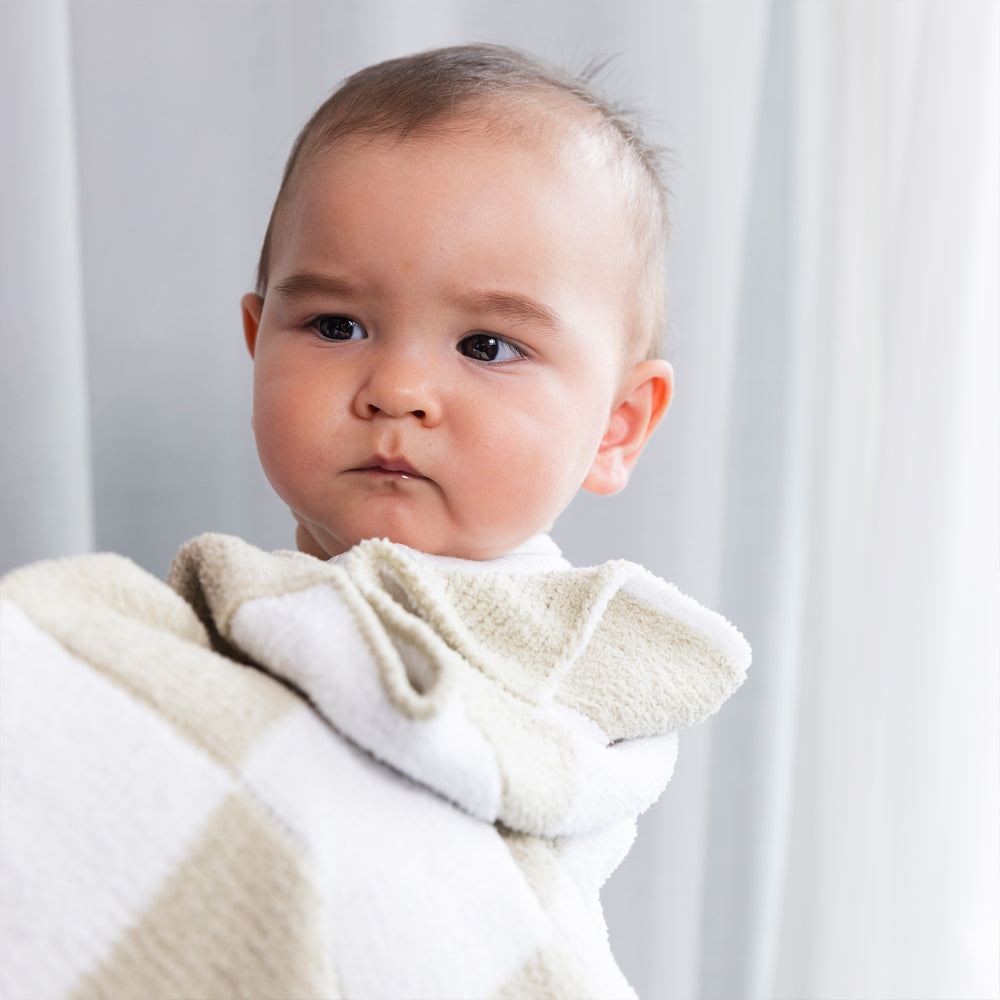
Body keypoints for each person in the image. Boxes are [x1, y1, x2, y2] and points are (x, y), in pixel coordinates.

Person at [0, 44, 749, 1000]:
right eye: (336, 326)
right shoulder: (239, 630)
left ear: (617, 425)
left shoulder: (563, 668)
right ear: (258, 339)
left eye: (488, 345)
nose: (396, 389)